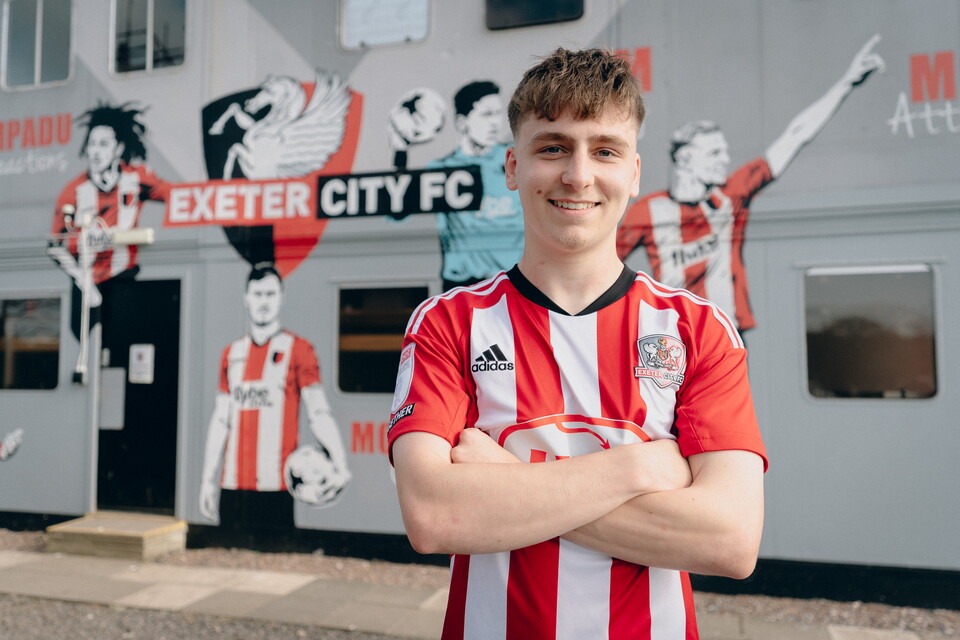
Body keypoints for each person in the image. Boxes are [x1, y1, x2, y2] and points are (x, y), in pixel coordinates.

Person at [388, 48, 768, 639]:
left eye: (606, 151)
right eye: (553, 147)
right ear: (513, 167)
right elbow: (436, 517)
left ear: (635, 173)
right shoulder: (447, 323)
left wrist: (504, 478)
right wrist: (637, 468)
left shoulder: (698, 329)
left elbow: (730, 541)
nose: (579, 175)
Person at [617, 35, 885, 331]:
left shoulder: (733, 194)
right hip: (671, 341)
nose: (725, 158)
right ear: (685, 158)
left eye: (726, 151)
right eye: (715, 152)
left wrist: (847, 83)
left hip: (726, 337)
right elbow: (602, 267)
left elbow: (796, 135)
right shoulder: (647, 211)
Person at [199, 264, 350, 545]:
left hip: (278, 487)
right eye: (257, 294)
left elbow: (318, 411)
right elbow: (221, 419)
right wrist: (208, 480)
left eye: (270, 294)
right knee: (229, 564)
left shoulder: (299, 350)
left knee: (273, 560)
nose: (264, 302)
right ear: (246, 298)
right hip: (232, 486)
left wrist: (340, 464)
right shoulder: (231, 354)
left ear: (281, 297)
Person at [47, 103, 170, 339]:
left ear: (118, 149)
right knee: (82, 342)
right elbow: (54, 245)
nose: (95, 151)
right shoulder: (73, 191)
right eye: (92, 143)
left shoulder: (137, 178)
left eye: (103, 144)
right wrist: (82, 280)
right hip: (87, 284)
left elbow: (175, 196)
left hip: (126, 278)